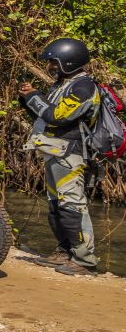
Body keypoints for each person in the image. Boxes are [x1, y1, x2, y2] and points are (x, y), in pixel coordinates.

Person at [19, 38, 101, 276]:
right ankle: (64, 251)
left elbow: (58, 116)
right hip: (54, 151)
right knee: (56, 206)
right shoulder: (64, 84)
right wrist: (28, 99)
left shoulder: (84, 87)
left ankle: (85, 261)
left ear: (68, 61)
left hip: (71, 154)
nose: (51, 67)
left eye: (54, 62)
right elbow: (45, 114)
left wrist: (33, 96)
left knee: (72, 206)